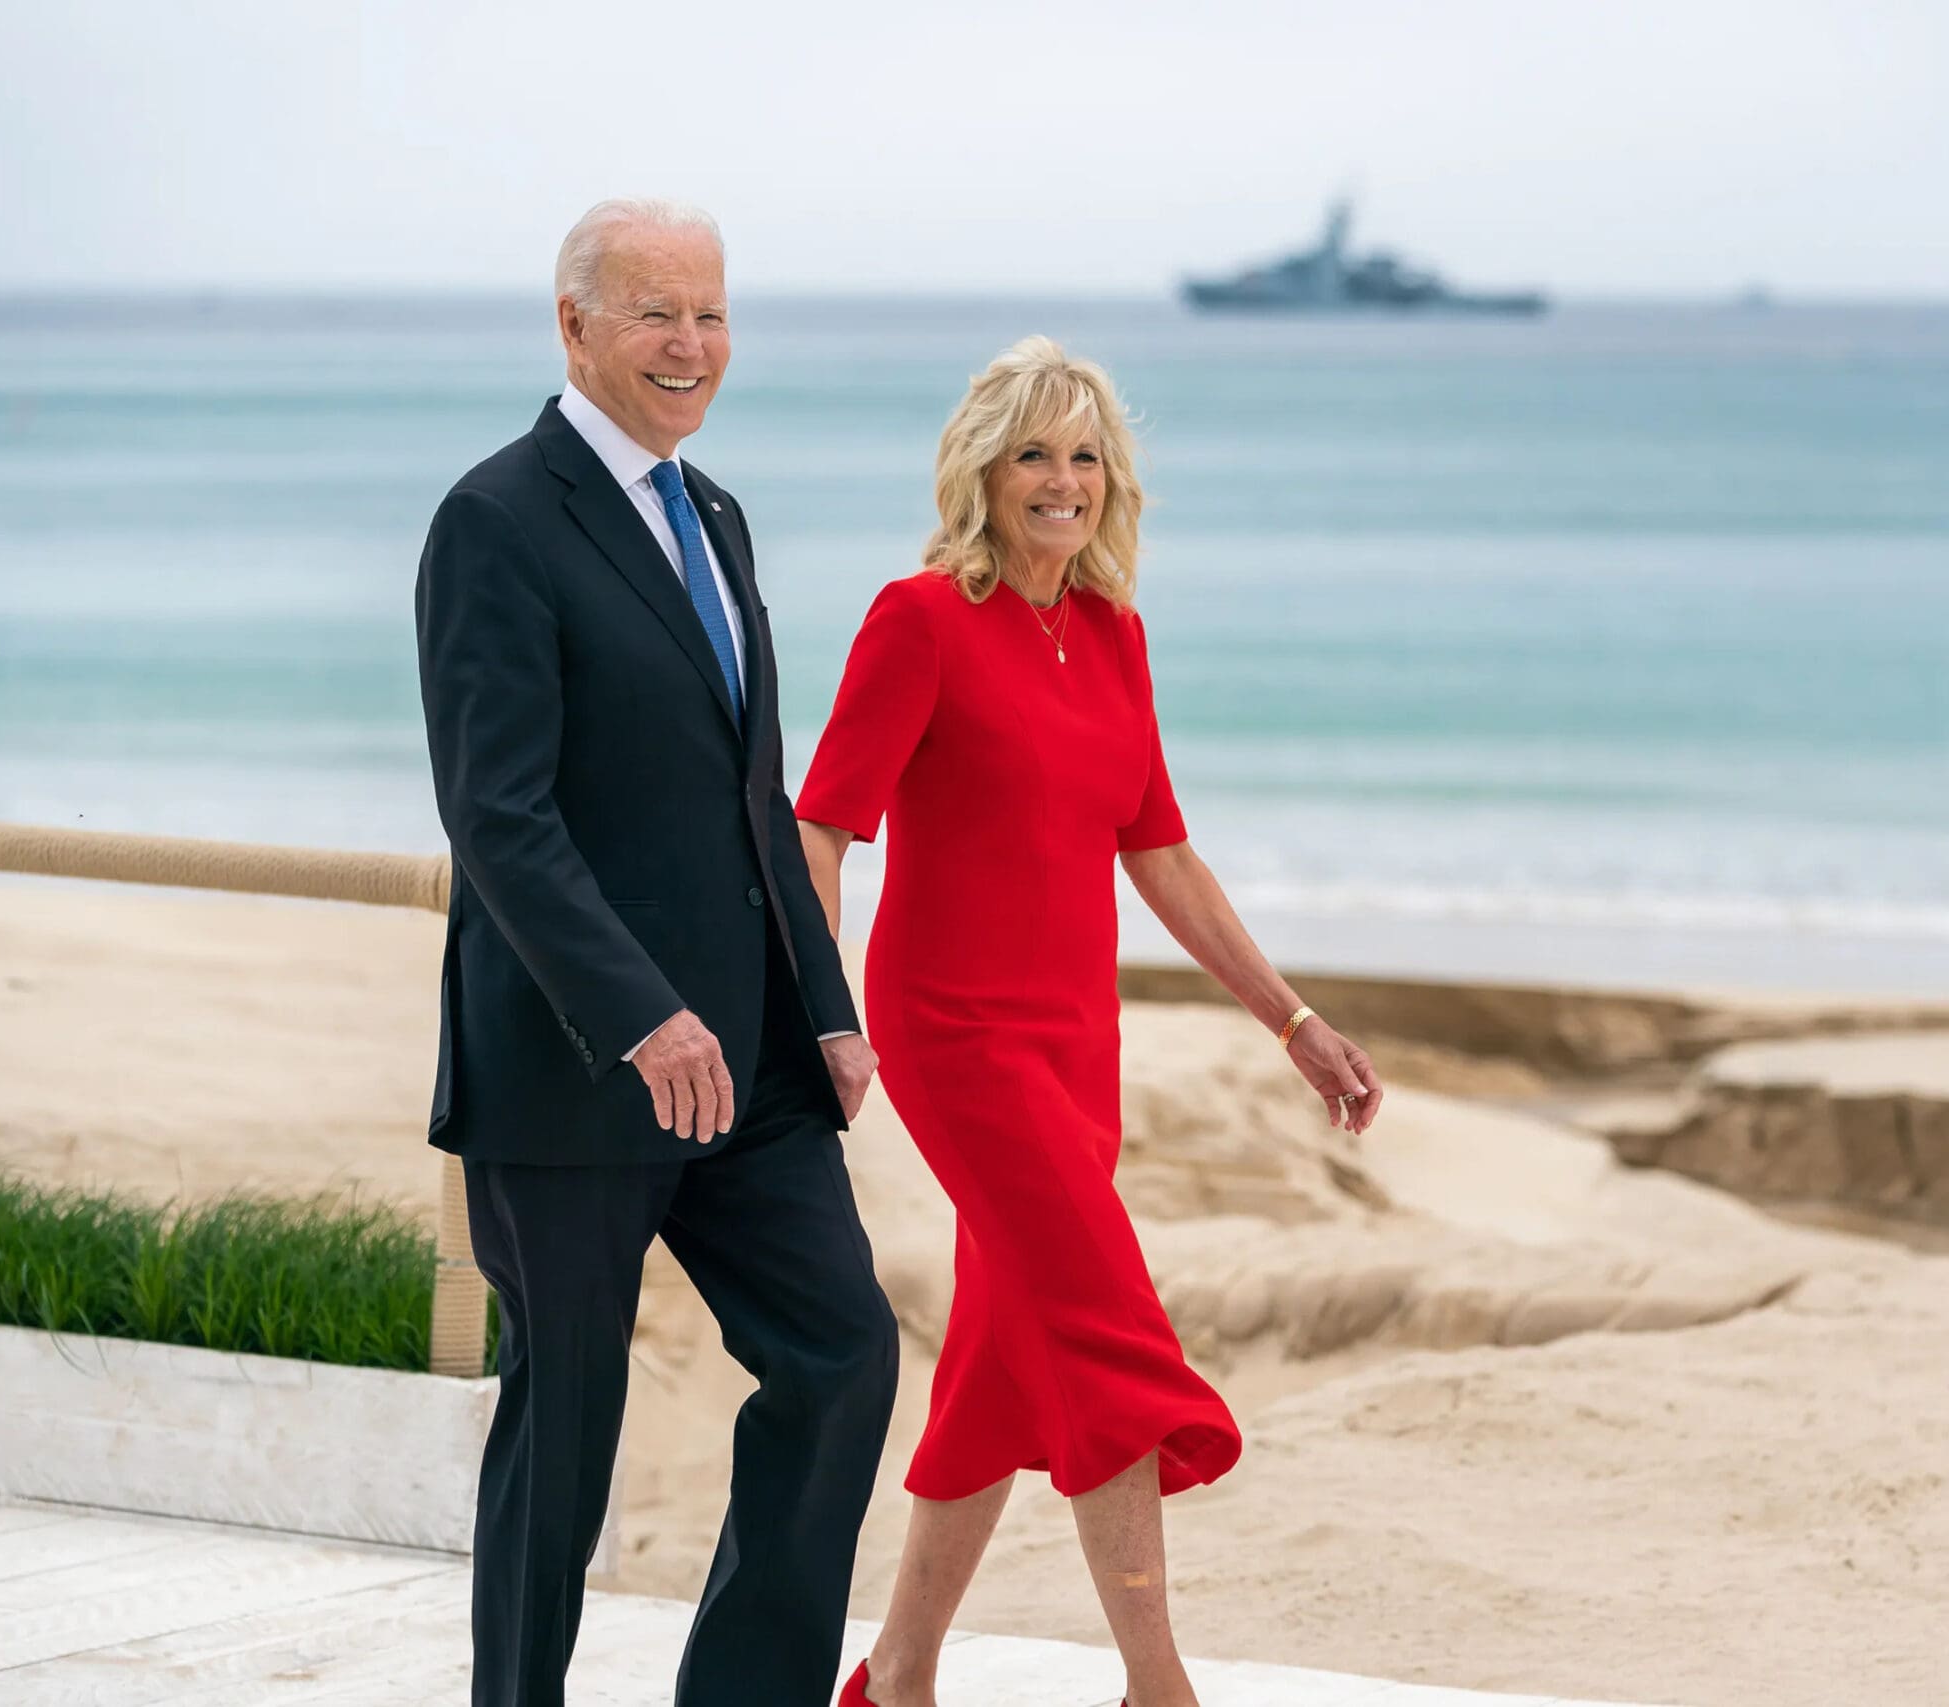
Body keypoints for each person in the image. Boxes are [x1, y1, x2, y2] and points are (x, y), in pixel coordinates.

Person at [796, 337, 1385, 1707]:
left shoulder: (1114, 635)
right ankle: (1157, 1687)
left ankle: (897, 1682)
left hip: (1076, 1041)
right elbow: (822, 830)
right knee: (1107, 1330)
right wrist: (823, 1017)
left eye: (1083, 455)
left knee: (1004, 1365)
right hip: (952, 1033)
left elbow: (1160, 852)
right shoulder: (921, 618)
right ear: (982, 474)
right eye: (1032, 456)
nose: (1061, 482)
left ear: (1110, 480)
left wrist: (1289, 1019)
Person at [414, 197, 897, 1707]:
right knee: (566, 1435)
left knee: (843, 1360)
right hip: (577, 1070)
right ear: (575, 326)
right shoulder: (494, 519)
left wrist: (824, 1005)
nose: (692, 346)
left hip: (750, 1061)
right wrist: (638, 1015)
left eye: (711, 314)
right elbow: (499, 814)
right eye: (654, 314)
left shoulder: (718, 514)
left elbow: (756, 795)